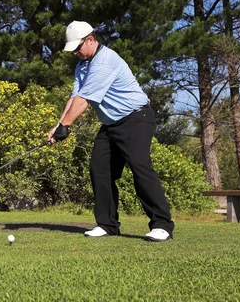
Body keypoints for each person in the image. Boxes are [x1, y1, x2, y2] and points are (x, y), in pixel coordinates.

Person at [48, 21, 174, 242]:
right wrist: (59, 126)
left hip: (136, 118)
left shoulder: (104, 62)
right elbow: (75, 97)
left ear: (91, 39)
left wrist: (66, 126)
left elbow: (85, 101)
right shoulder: (82, 66)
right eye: (73, 50)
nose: (76, 53)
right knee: (99, 169)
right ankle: (107, 224)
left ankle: (162, 225)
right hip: (111, 124)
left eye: (78, 48)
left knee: (140, 167)